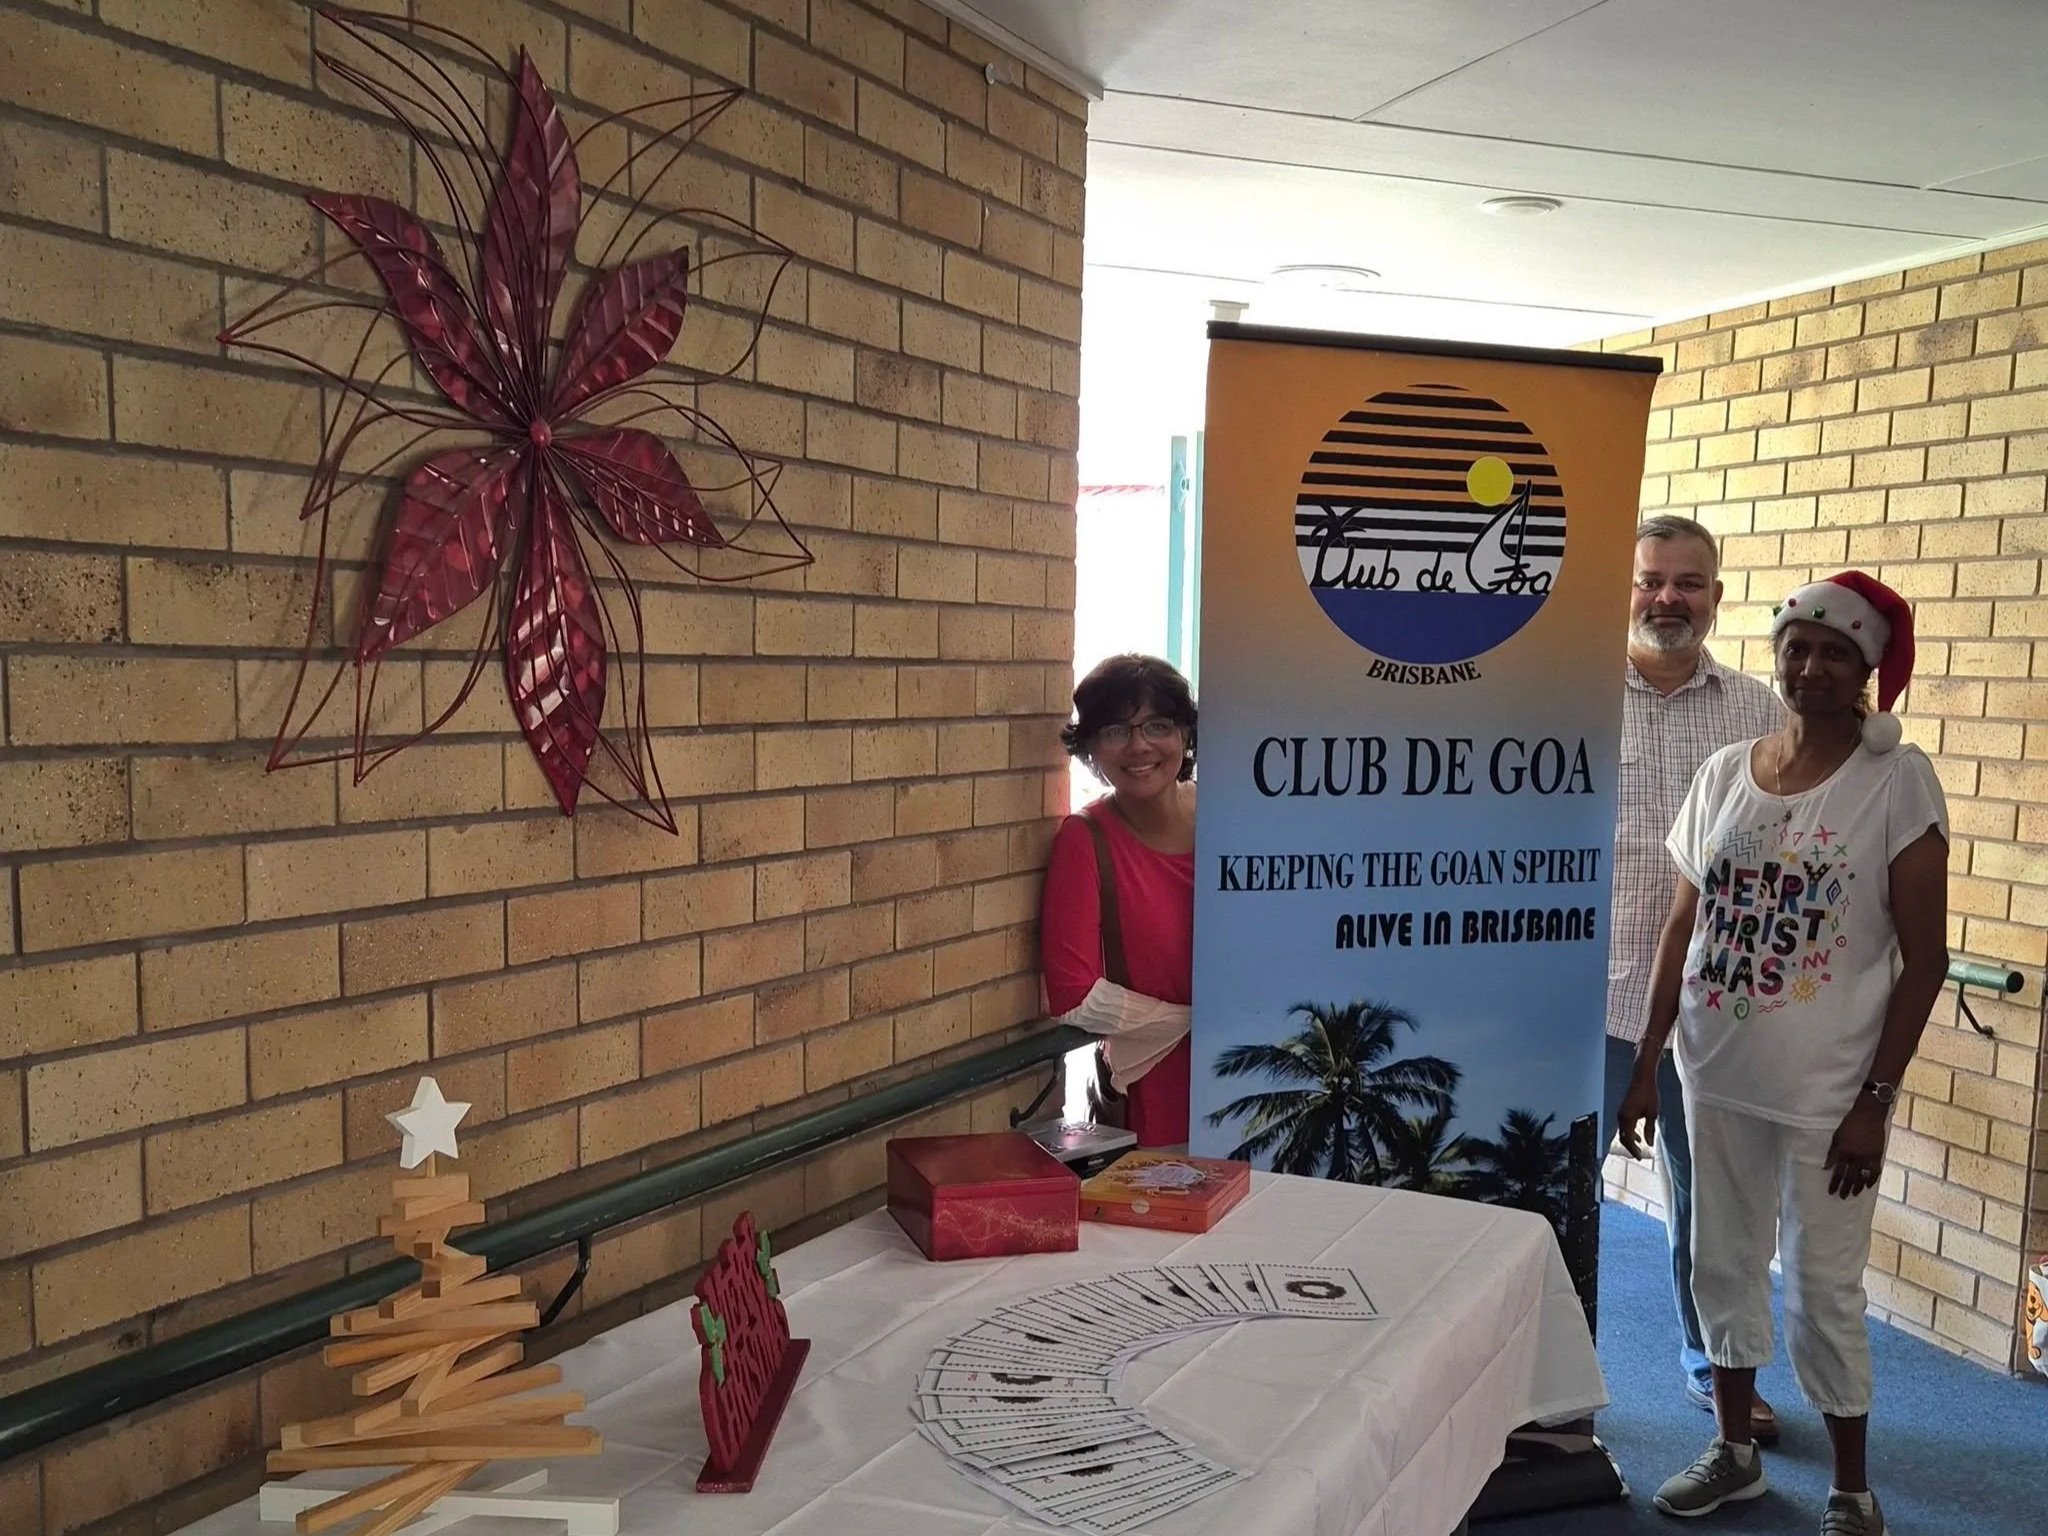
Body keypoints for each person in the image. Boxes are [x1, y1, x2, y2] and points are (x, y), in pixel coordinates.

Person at [1619, 571, 1949, 1536]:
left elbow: (1923, 959)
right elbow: (1682, 927)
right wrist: (1649, 1058)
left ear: (1865, 671)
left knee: (1820, 1290)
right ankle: (1735, 1453)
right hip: (1713, 1075)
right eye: (1797, 646)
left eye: (1834, 652)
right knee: (1719, 1265)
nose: (1809, 666)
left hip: (1829, 1095)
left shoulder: (1896, 780)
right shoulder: (1726, 770)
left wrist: (1874, 1103)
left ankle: (1851, 1486)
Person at [1603, 515, 1784, 1441]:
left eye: (1688, 582)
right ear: (1624, 587)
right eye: (1650, 580)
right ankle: (1548, 1389)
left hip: (1716, 1009)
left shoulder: (1761, 712)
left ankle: (1718, 1374)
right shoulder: (1573, 699)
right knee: (1557, 1205)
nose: (1667, 597)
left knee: (1716, 1211)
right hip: (1588, 1006)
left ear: (1717, 593)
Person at [1040, 654, 1197, 1148]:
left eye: (1157, 725)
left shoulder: (1235, 817)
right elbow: (1074, 995)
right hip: (1153, 1097)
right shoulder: (1084, 839)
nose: (1139, 746)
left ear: (1186, 735)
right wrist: (1198, 1019)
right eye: (1115, 730)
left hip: (1265, 1083)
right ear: (1089, 749)